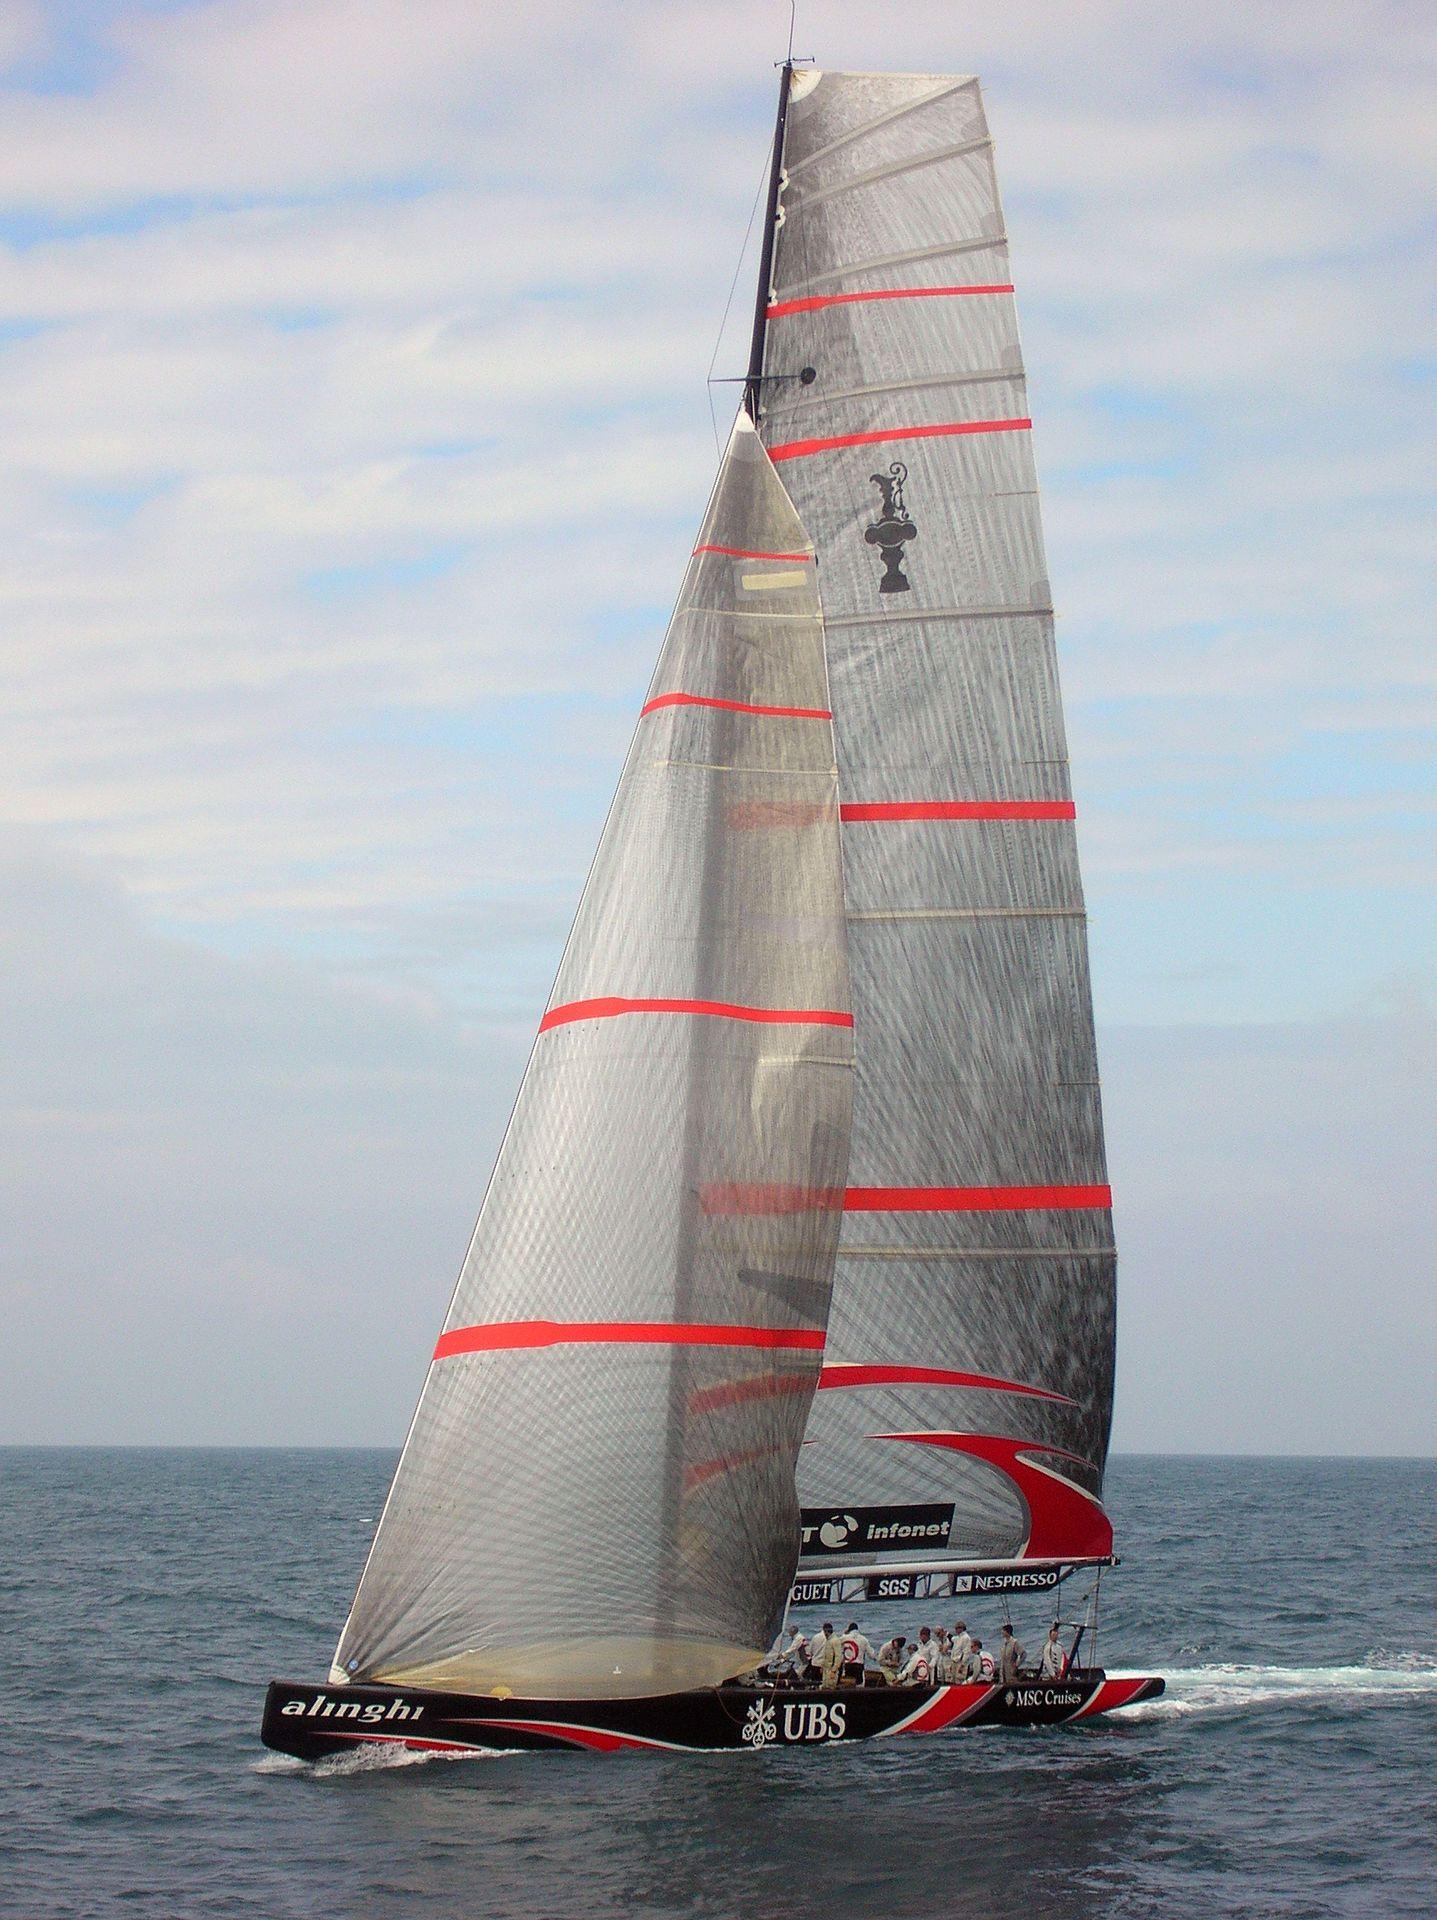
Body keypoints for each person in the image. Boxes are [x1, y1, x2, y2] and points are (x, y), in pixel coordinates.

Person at [818, 1626, 844, 1690]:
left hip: (831, 1669)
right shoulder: (828, 1641)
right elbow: (825, 1656)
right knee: (825, 1686)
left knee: (831, 1686)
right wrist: (822, 1666)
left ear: (826, 1631)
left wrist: (834, 1670)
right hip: (826, 1669)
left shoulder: (835, 1641)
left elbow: (838, 1657)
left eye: (824, 1632)